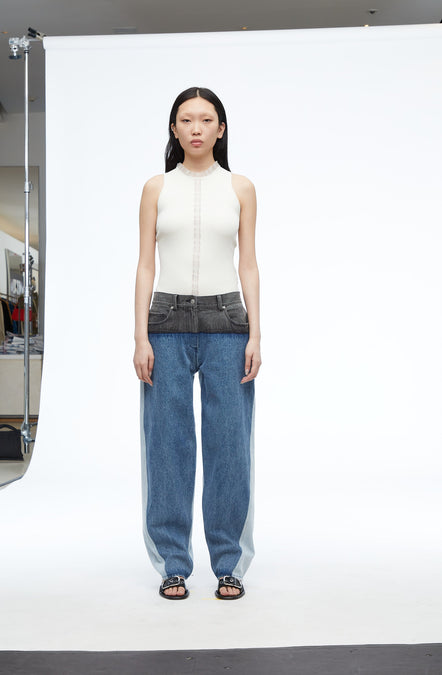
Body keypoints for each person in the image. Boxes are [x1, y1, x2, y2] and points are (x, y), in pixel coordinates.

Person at [133, 86, 261, 600]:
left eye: (206, 120)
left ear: (220, 129)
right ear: (174, 128)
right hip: (165, 320)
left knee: (230, 443)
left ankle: (229, 563)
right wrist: (140, 335)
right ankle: (173, 563)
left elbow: (248, 263)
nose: (196, 128)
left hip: (227, 319)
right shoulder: (156, 188)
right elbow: (145, 264)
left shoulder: (241, 187)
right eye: (186, 120)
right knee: (167, 444)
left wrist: (256, 332)